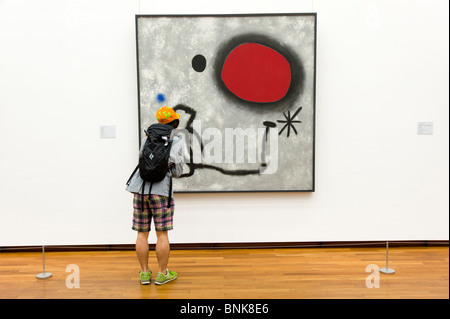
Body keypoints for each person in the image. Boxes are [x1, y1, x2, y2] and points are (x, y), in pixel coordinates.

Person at [126, 106, 185, 285]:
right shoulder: (176, 141)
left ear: (159, 121)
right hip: (161, 192)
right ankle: (162, 273)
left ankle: (144, 273)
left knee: (142, 234)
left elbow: (142, 160)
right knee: (162, 235)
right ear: (174, 122)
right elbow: (178, 171)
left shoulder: (147, 138)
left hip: (140, 190)